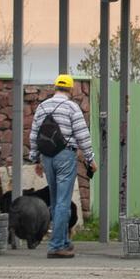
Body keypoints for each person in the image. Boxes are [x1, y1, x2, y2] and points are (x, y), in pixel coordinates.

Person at [27, 75, 96, 259]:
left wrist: (35, 158)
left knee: (55, 199)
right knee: (63, 201)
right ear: (71, 89)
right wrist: (90, 159)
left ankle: (63, 242)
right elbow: (83, 135)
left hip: (47, 157)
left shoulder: (43, 107)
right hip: (65, 155)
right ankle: (57, 245)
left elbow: (34, 134)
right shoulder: (72, 107)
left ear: (55, 87)